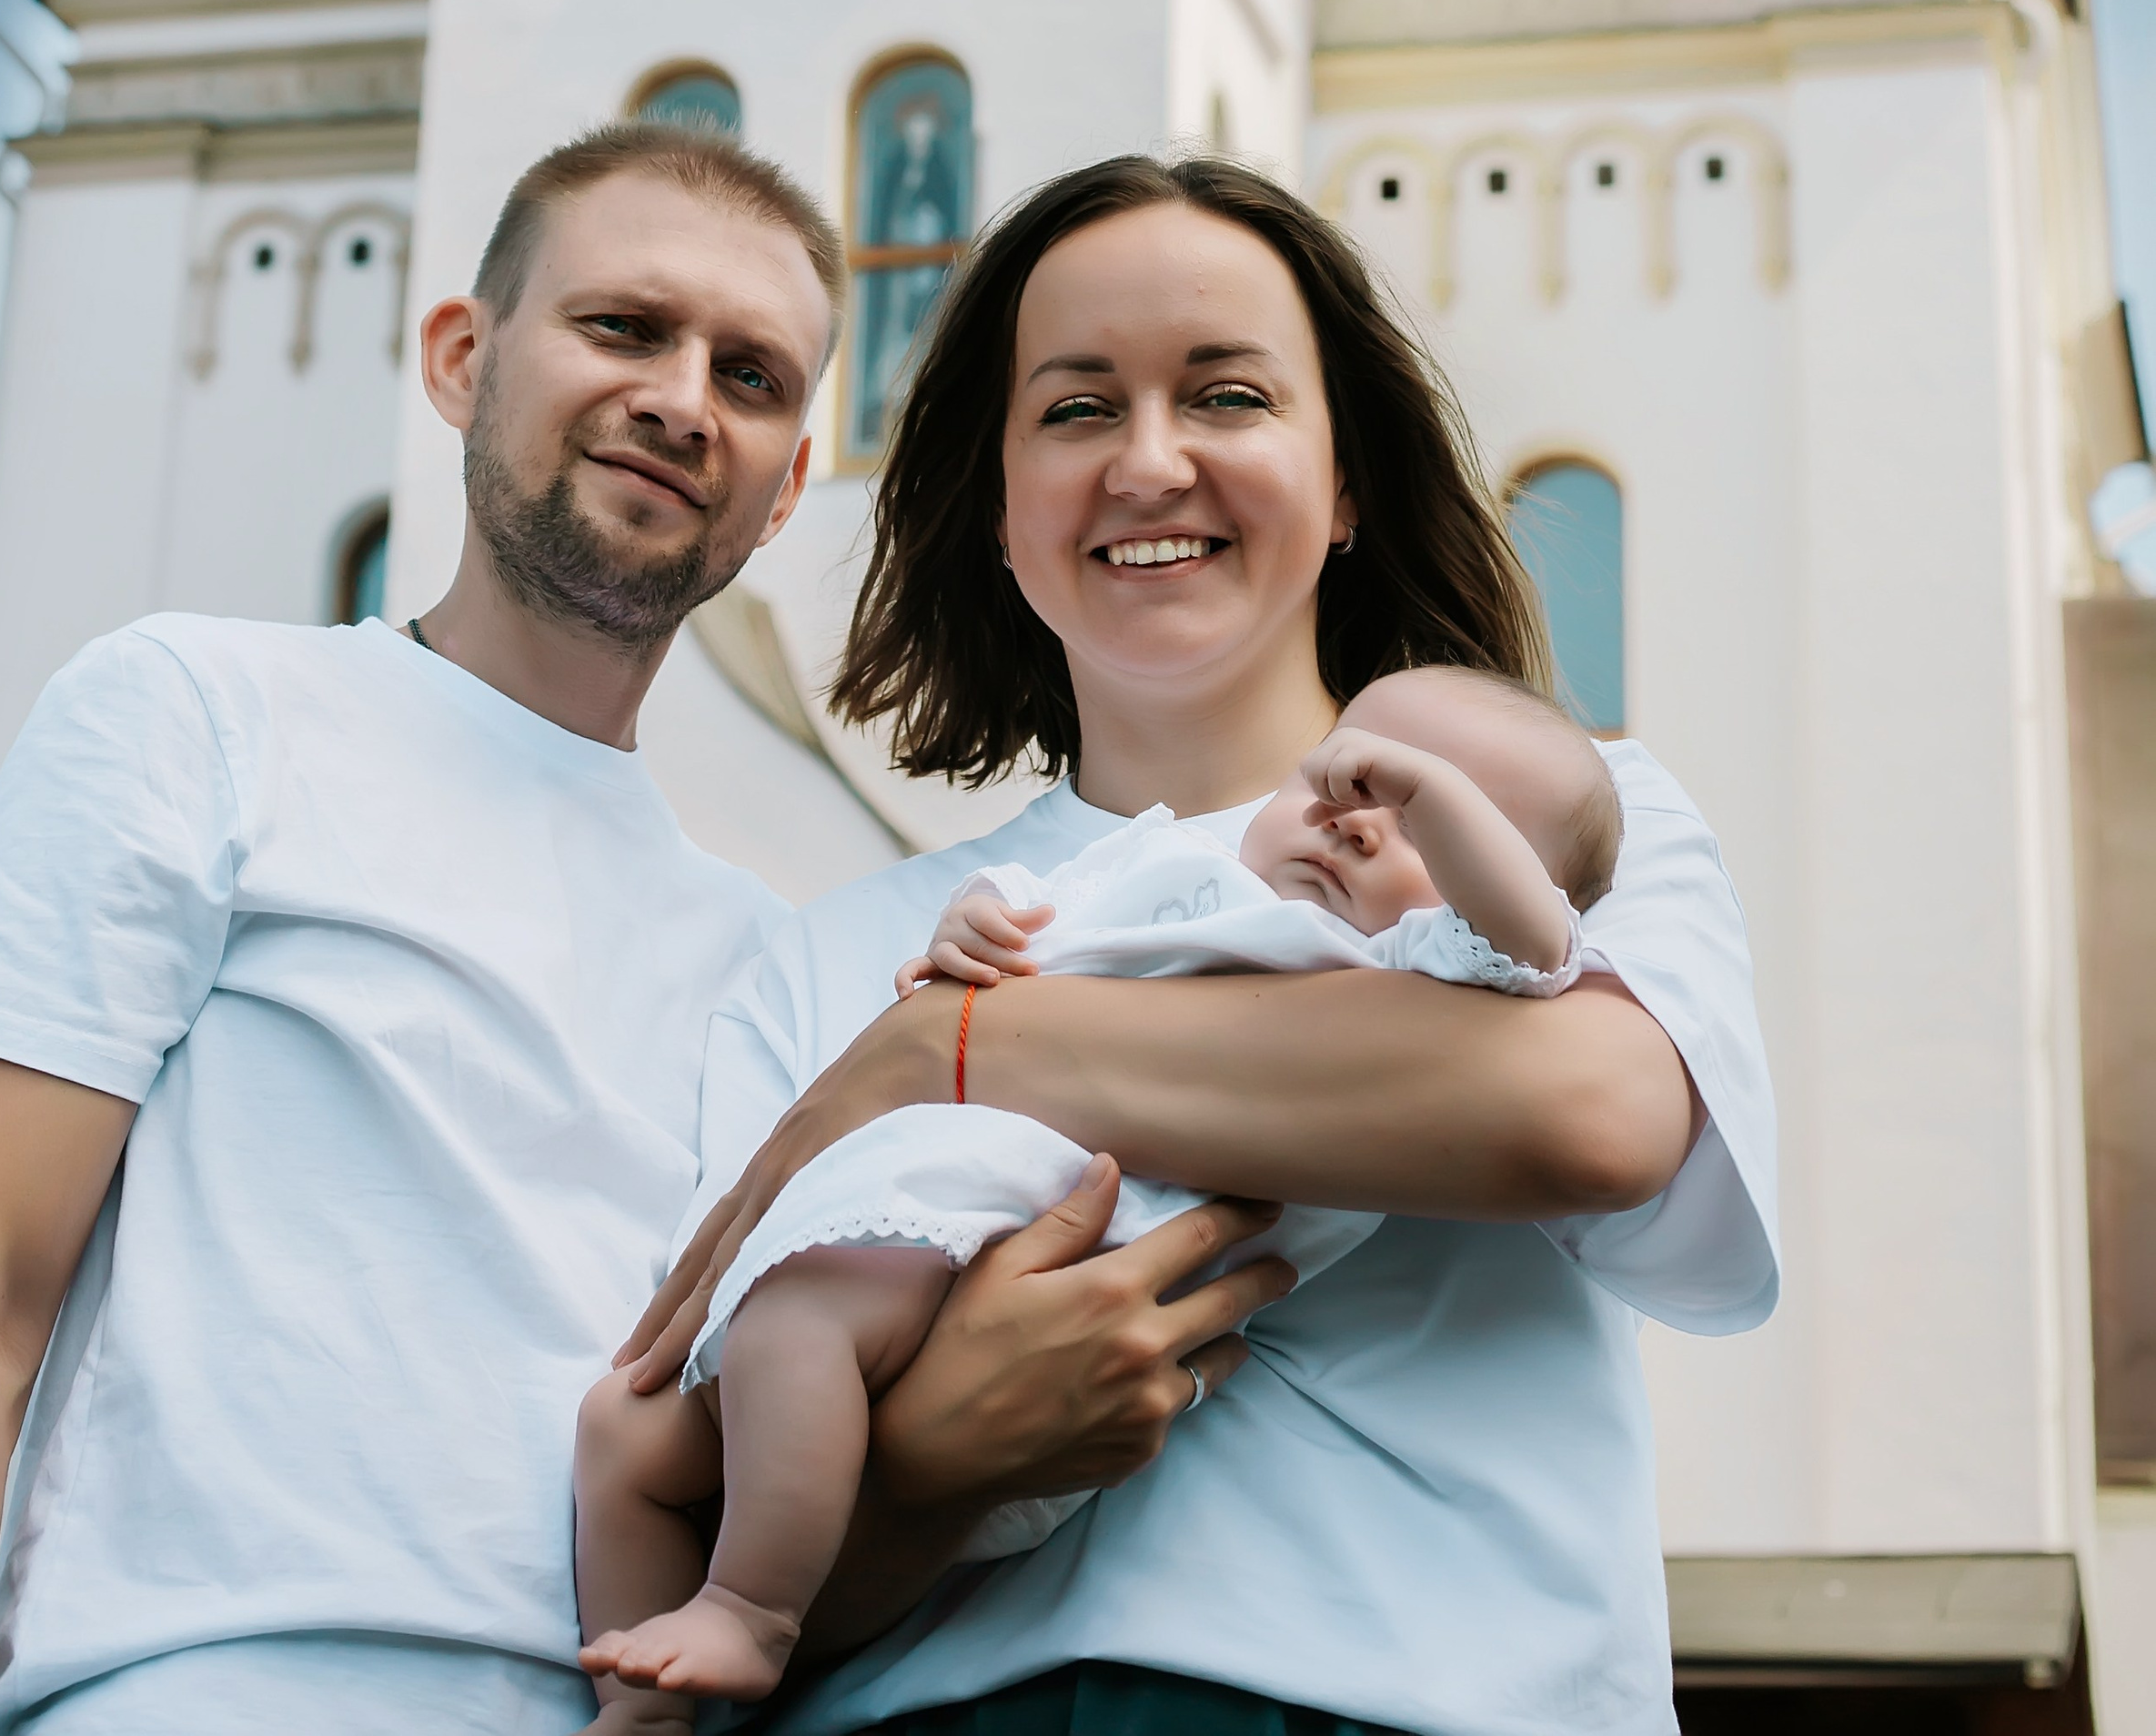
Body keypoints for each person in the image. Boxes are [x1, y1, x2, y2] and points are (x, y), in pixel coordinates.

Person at [0, 125, 1295, 1736]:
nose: (681, 399)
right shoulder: (201, 714)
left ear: (787, 484)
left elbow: (771, 1471)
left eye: (749, 375)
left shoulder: (782, 964)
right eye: (623, 328)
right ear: (464, 359)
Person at [623, 153, 1777, 1736]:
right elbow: (683, 1522)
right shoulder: (822, 965)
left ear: (1347, 482)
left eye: (1227, 395)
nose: (1151, 461)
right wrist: (937, 1460)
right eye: (1077, 409)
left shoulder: (1565, 812)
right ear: (998, 509)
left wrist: (966, 1049)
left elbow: (1589, 1112)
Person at [573, 668, 1618, 1727]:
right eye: (1342, 777)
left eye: (1424, 814)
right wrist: (972, 929)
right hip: (923, 1233)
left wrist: (1428, 795)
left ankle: (748, 1610)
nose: (1359, 817)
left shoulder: (1398, 970)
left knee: (793, 1333)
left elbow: (1531, 947)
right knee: (623, 1428)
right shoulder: (1166, 865)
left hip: (1036, 1262)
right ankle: (642, 1712)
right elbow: (1028, 926)